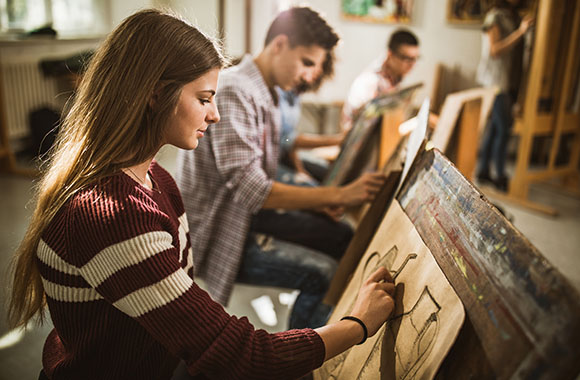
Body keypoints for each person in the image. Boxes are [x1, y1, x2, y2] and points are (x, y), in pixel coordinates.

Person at [8, 9, 396, 380]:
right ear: (155, 95)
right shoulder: (115, 214)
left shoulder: (157, 178)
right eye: (205, 99)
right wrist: (357, 324)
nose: (215, 115)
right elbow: (245, 356)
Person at [175, 7, 386, 330]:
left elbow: (271, 169)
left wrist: (323, 198)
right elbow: (254, 189)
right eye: (307, 62)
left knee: (342, 234)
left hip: (247, 214)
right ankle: (301, 362)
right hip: (224, 229)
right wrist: (338, 192)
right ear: (280, 45)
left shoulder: (266, 91)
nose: (310, 75)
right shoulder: (236, 91)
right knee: (325, 273)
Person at [475, 0, 534, 191]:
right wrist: (521, 32)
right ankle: (500, 175)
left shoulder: (512, 16)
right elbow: (495, 50)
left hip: (507, 82)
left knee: (494, 128)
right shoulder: (495, 16)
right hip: (495, 82)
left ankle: (483, 171)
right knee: (503, 128)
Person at [276, 51, 345, 186]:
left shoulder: (295, 94)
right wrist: (337, 140)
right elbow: (287, 139)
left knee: (327, 172)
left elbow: (289, 142)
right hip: (273, 161)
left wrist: (300, 169)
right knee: (312, 188)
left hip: (284, 155)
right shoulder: (281, 90)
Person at [341, 28, 420, 131]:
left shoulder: (394, 78)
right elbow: (354, 126)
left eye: (415, 59)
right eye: (406, 58)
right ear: (390, 55)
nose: (411, 64)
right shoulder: (370, 81)